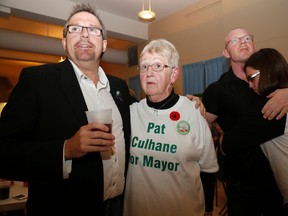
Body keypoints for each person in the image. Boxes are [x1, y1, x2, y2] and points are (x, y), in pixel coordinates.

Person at [0, 3, 137, 216]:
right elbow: (4, 152)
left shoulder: (119, 87)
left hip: (118, 207)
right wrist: (66, 150)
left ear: (104, 45)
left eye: (93, 30)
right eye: (75, 29)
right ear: (64, 43)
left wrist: (192, 105)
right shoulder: (37, 81)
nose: (84, 34)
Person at [123, 39, 219, 216]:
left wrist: (208, 211)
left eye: (158, 66)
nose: (149, 73)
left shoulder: (194, 112)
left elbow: (208, 168)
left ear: (174, 75)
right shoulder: (130, 113)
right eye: (144, 67)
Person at [202, 28, 288, 215]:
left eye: (247, 38)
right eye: (235, 40)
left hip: (278, 178)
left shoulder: (277, 82)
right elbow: (202, 125)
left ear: (254, 46)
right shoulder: (217, 90)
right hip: (243, 183)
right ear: (225, 53)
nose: (242, 42)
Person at [221, 48, 288, 213]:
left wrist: (221, 136)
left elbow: (226, 145)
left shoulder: (269, 108)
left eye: (252, 78)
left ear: (268, 71)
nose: (250, 85)